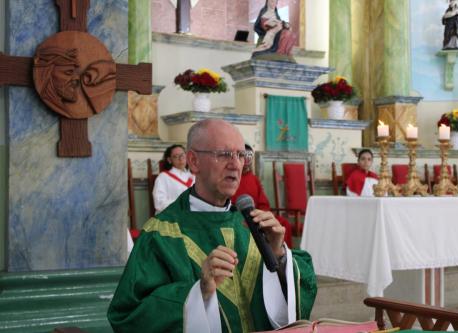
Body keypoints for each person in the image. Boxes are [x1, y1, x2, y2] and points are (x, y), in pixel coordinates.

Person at [108, 119, 317, 332]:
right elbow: (129, 315)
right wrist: (199, 292)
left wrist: (279, 257)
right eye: (224, 154)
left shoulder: (251, 225)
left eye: (240, 155)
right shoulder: (160, 234)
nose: (236, 164)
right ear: (194, 161)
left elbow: (299, 293)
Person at [231, 144, 293, 248]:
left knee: (283, 223)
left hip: (258, 214)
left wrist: (261, 213)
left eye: (248, 157)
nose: (246, 160)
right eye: (242, 156)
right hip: (239, 216)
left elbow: (263, 203)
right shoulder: (232, 178)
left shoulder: (253, 178)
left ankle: (282, 255)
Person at [152, 144, 195, 214]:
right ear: (169, 160)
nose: (181, 159)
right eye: (176, 156)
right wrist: (182, 203)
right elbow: (159, 203)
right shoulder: (163, 177)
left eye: (182, 155)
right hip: (171, 217)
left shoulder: (193, 178)